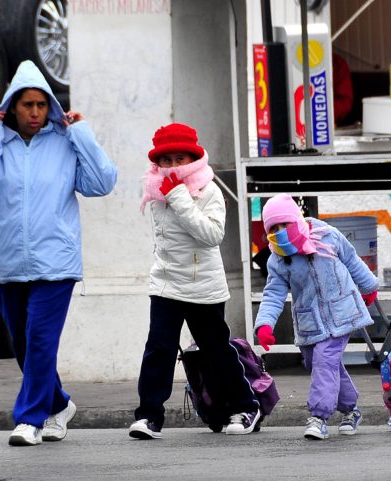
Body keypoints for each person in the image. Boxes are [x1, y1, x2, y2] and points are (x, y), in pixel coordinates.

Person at [0, 60, 118, 446]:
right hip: (10, 262)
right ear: (12, 106)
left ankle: (29, 418)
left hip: (56, 263)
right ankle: (59, 404)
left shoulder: (65, 142)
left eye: (41, 105)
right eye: (26, 105)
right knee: (26, 347)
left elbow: (102, 182)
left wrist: (80, 132)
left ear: (50, 107)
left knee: (41, 341)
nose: (34, 113)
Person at [130, 123, 261, 439]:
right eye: (167, 160)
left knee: (216, 351)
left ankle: (245, 406)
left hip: (203, 285)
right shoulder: (156, 191)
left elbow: (212, 236)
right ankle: (149, 416)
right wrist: (172, 196)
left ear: (193, 158)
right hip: (165, 283)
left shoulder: (208, 190)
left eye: (180, 159)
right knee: (158, 349)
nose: (173, 166)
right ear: (158, 164)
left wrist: (181, 199)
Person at [254, 194, 379, 440]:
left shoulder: (326, 235)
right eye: (273, 228)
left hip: (341, 312)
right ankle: (351, 409)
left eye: (284, 225)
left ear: (296, 219)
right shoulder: (278, 258)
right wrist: (265, 323)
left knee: (325, 361)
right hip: (310, 321)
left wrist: (369, 287)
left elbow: (352, 260)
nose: (279, 232)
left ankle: (319, 417)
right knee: (320, 364)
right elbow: (273, 294)